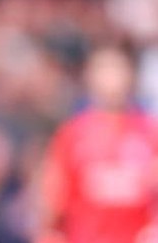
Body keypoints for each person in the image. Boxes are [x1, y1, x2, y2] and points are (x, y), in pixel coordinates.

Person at [36, 43, 158, 243]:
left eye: (117, 68)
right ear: (89, 76)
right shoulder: (71, 135)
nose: (111, 78)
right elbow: (53, 202)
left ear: (131, 75)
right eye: (103, 69)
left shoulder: (151, 134)